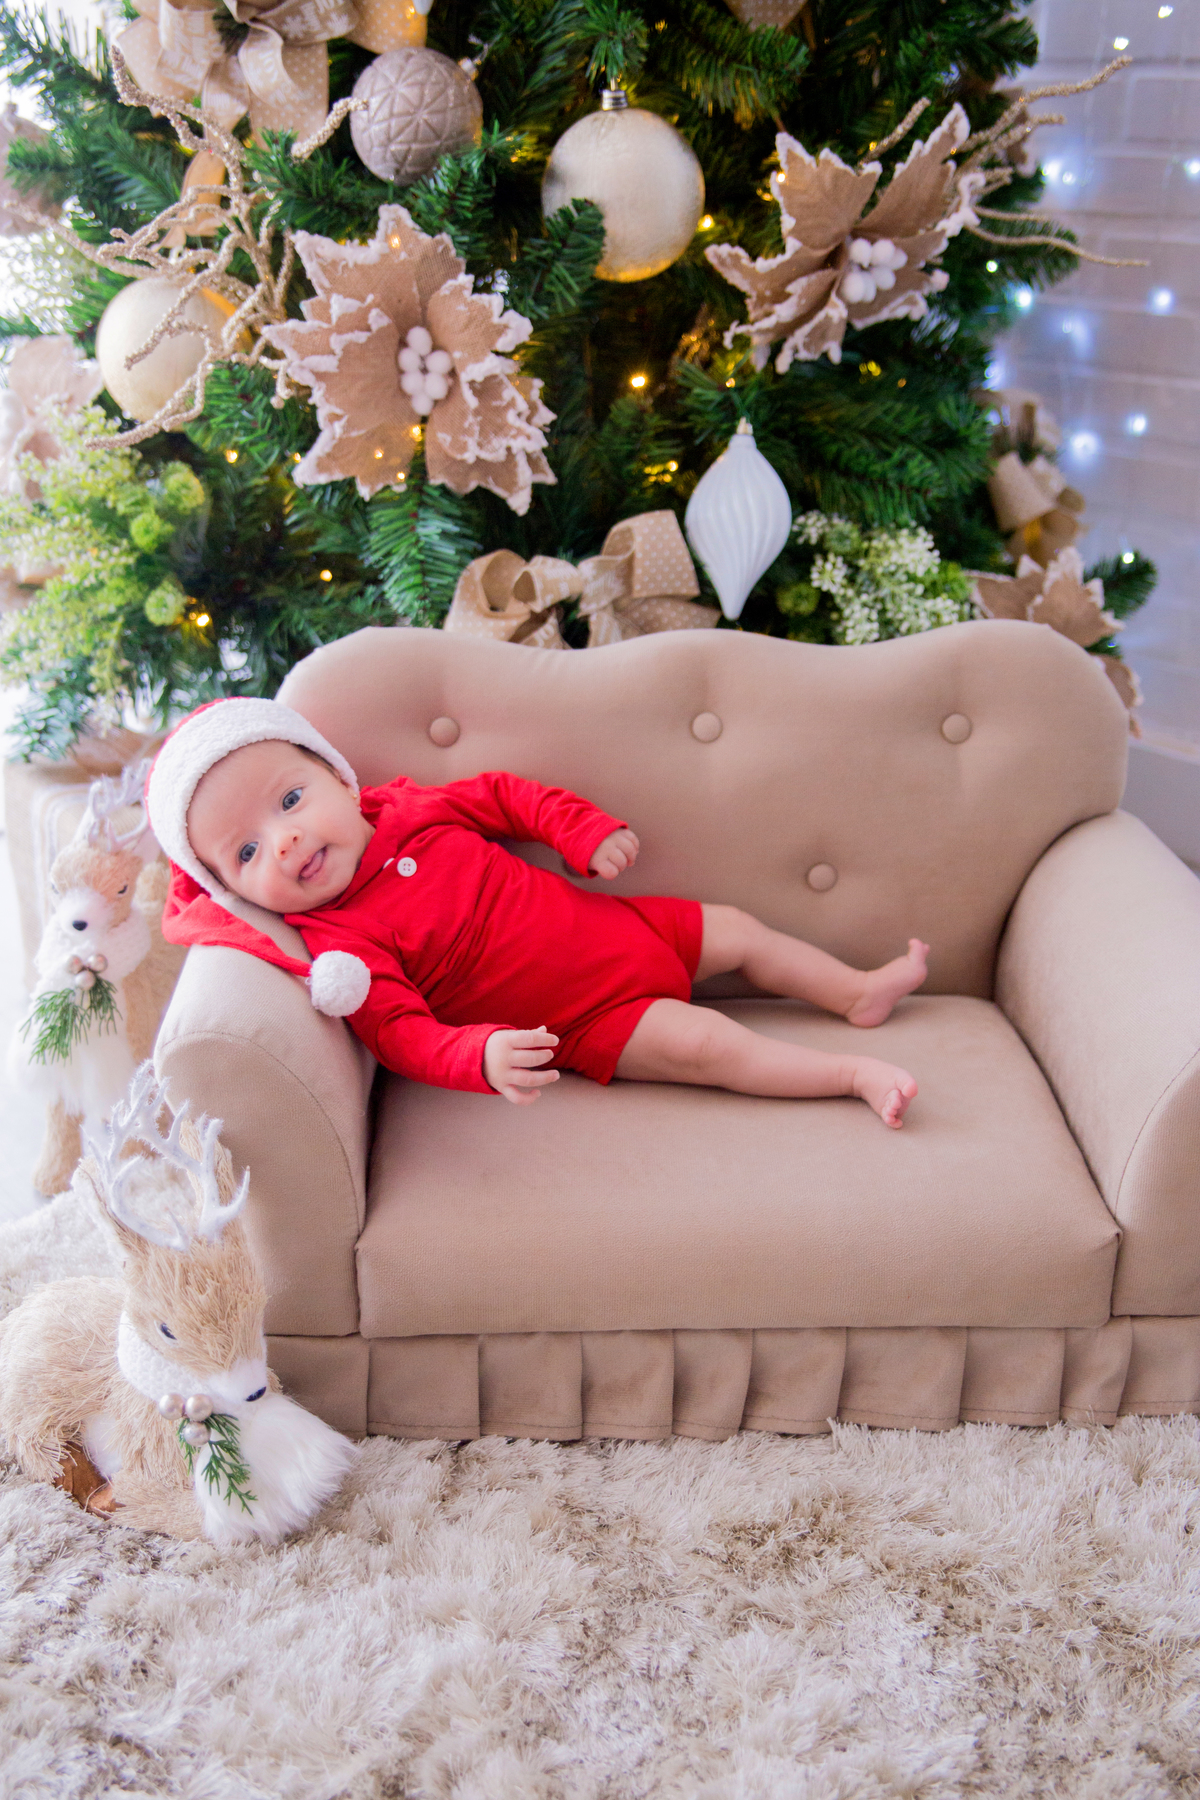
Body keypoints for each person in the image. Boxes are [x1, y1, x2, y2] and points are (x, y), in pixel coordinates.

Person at [149, 699, 927, 1127]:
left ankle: (853, 993)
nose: (283, 842)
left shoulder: (411, 809)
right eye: (246, 854)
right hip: (595, 1018)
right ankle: (848, 1076)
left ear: (340, 779)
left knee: (740, 931)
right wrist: (476, 1057)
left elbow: (501, 795)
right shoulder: (339, 947)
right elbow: (398, 1032)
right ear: (232, 892)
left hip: (624, 926)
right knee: (709, 1046)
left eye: (290, 800)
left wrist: (579, 830)